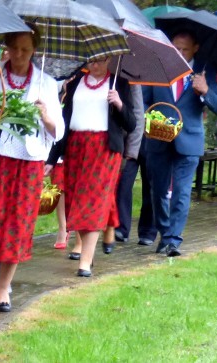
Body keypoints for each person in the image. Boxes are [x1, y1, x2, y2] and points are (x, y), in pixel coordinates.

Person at [0, 27, 64, 312]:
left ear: (34, 50)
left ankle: (2, 287)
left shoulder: (46, 83)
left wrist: (47, 116)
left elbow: (58, 131)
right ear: (7, 48)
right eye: (15, 48)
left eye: (26, 49)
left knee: (17, 224)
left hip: (29, 162)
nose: (20, 55)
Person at [47, 57, 136, 277]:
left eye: (99, 61)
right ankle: (89, 251)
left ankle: (85, 261)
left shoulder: (120, 84)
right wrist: (51, 159)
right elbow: (64, 124)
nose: (94, 66)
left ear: (109, 60)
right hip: (76, 148)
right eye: (91, 61)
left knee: (95, 202)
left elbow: (131, 124)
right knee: (77, 200)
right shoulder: (76, 82)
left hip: (104, 150)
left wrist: (119, 104)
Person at [142, 30, 217, 256]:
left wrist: (205, 90)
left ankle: (173, 239)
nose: (179, 53)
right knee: (158, 191)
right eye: (175, 48)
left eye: (184, 49)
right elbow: (143, 102)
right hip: (159, 138)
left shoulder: (205, 72)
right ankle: (164, 232)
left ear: (195, 49)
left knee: (181, 191)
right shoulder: (156, 68)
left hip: (189, 140)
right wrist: (147, 120)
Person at [113, 85, 158, 248]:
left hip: (152, 135)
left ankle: (148, 231)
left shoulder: (157, 75)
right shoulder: (128, 74)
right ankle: (120, 226)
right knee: (124, 182)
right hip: (130, 135)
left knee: (150, 185)